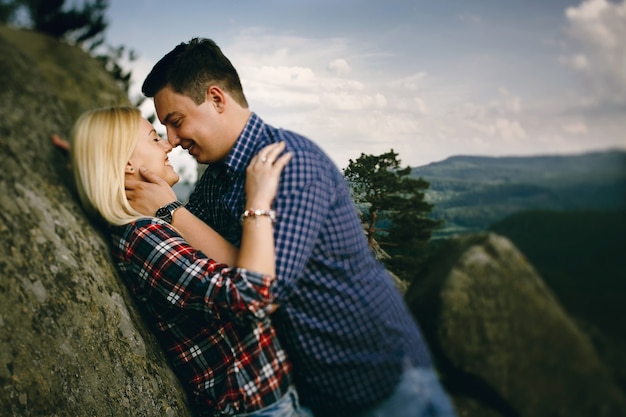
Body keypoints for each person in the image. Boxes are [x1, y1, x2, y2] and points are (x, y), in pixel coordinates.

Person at [126, 38, 457, 417]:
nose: (172, 139)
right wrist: (105, 162)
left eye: (177, 121)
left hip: (383, 381)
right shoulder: (217, 177)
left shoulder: (290, 164)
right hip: (320, 390)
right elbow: (196, 246)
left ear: (216, 99)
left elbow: (264, 290)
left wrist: (170, 209)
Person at [69, 105, 311, 417]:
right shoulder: (143, 236)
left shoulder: (148, 228)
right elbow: (253, 298)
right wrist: (259, 201)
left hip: (268, 401)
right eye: (154, 138)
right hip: (256, 408)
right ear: (127, 163)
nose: (168, 144)